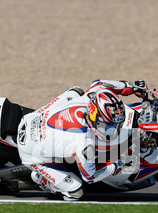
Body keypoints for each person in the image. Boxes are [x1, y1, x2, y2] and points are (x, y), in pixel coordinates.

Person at [16, 79, 148, 200]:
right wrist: (116, 166)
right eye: (107, 126)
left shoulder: (88, 100)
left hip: (32, 119)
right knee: (76, 191)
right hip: (30, 151)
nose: (112, 131)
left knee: (77, 91)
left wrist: (130, 87)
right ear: (94, 116)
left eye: (116, 125)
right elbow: (90, 177)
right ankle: (41, 179)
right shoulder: (83, 144)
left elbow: (99, 84)